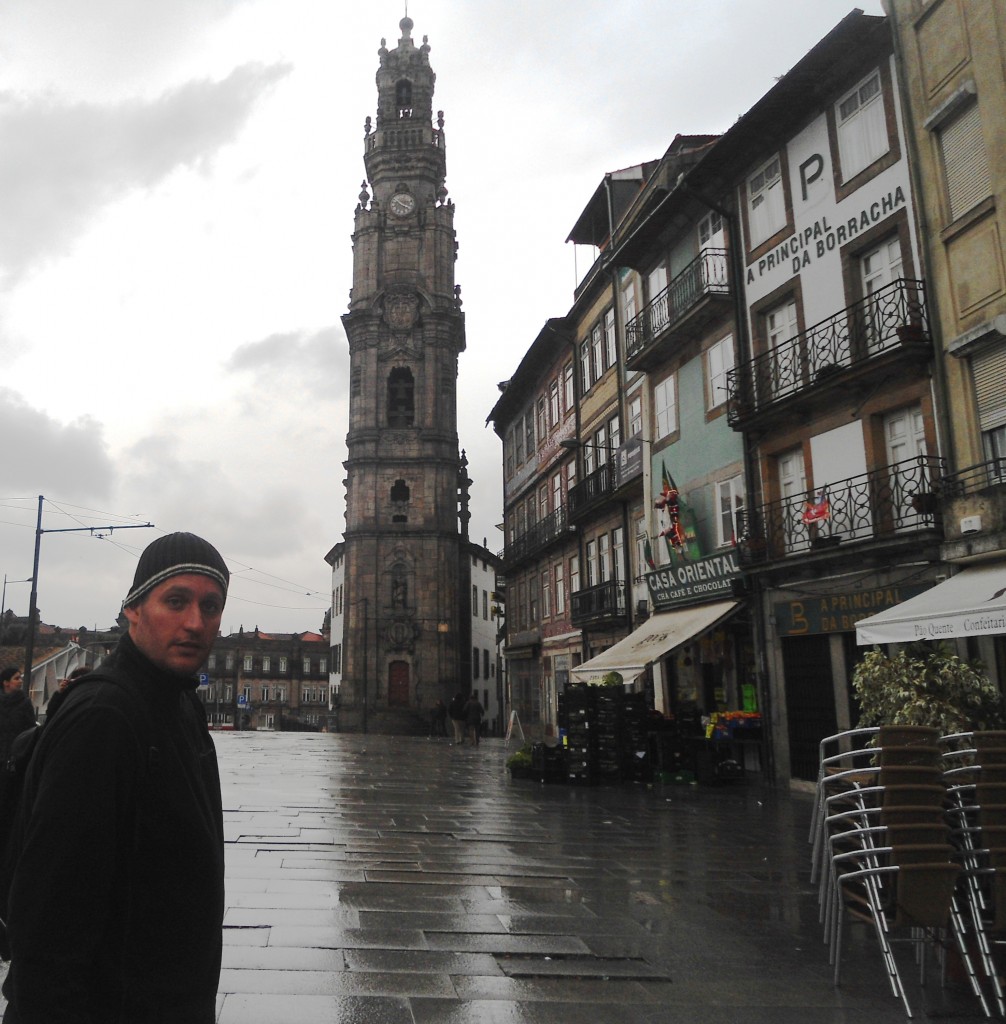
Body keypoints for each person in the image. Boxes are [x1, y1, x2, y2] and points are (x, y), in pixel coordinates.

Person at [2, 532, 229, 1023]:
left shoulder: (180, 702)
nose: (195, 622)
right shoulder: (105, 718)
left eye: (210, 606)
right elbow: (48, 918)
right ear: (133, 609)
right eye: (175, 601)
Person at [0, 668, 36, 765]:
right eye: (16, 678)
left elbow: (30, 730)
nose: (20, 681)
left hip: (17, 758)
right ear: (6, 683)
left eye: (20, 678)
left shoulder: (25, 703)